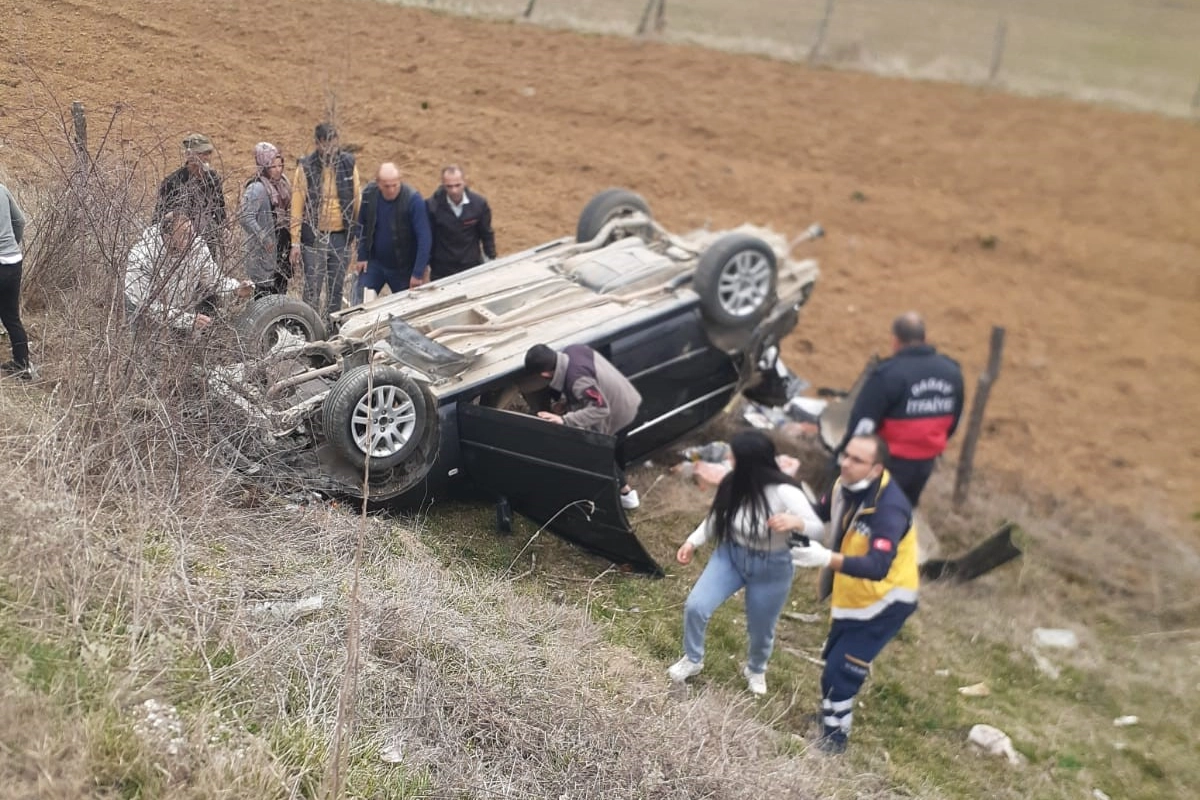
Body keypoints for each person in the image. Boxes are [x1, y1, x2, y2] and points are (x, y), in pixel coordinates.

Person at [789, 433, 919, 754]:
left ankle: (834, 740)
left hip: (886, 601)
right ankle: (830, 717)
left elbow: (877, 565)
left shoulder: (890, 509)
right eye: (845, 455)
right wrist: (795, 522)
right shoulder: (843, 484)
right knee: (832, 660)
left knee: (842, 670)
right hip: (853, 596)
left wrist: (824, 558)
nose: (845, 463)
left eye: (856, 460)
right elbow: (822, 517)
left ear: (875, 470)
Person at [668, 430, 825, 695]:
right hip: (731, 556)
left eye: (734, 456)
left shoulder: (784, 490)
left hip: (771, 567)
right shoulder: (734, 481)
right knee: (696, 605)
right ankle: (693, 659)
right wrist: (692, 542)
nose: (729, 459)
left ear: (752, 460)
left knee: (761, 629)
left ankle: (756, 668)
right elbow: (716, 518)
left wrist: (796, 522)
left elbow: (819, 529)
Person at [837, 311, 964, 506]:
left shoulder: (888, 374)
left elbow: (863, 424)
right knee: (901, 512)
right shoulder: (952, 372)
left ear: (895, 341)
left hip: (888, 463)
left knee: (867, 514)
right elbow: (954, 420)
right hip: (925, 463)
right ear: (925, 339)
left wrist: (843, 456)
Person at [524, 343, 642, 509]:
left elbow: (600, 408)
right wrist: (565, 404)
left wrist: (565, 420)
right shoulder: (573, 350)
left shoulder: (576, 379)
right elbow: (589, 383)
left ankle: (626, 495)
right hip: (620, 394)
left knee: (597, 451)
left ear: (544, 373)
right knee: (602, 449)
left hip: (619, 409)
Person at [125, 212, 252, 331]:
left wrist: (235, 289)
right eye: (185, 236)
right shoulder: (142, 256)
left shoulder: (197, 246)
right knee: (145, 349)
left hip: (181, 311)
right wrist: (188, 320)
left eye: (192, 233)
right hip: (143, 315)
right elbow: (147, 306)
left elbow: (214, 279)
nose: (192, 239)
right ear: (168, 238)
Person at [289, 122, 361, 317]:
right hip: (314, 237)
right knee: (312, 289)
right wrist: (295, 242)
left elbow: (356, 199)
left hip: (341, 237)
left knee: (336, 289)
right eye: (325, 144)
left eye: (334, 143)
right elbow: (297, 206)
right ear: (317, 144)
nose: (330, 149)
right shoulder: (305, 167)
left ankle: (332, 329)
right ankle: (309, 327)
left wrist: (356, 234)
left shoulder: (348, 164)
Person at [352, 162, 432, 302]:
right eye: (386, 186)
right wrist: (362, 255)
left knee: (406, 307)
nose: (391, 190)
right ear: (378, 183)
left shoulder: (413, 200)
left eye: (395, 185)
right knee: (359, 301)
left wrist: (418, 273)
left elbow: (424, 238)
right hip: (375, 263)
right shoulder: (369, 195)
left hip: (403, 266)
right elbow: (362, 225)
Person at [155, 133, 229, 264]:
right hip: (182, 246)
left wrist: (223, 228)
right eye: (201, 154)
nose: (206, 158)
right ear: (189, 155)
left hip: (208, 242)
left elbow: (219, 209)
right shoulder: (173, 182)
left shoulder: (213, 179)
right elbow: (160, 217)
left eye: (208, 153)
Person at [238, 142, 293, 298]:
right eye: (272, 167)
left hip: (282, 247)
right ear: (263, 166)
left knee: (281, 291)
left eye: (279, 165)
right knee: (264, 294)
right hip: (264, 251)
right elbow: (245, 216)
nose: (278, 170)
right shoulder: (257, 188)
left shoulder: (283, 184)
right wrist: (264, 238)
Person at [426, 165, 496, 279]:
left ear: (465, 182)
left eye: (457, 185)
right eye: (449, 186)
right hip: (442, 270)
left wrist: (491, 257)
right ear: (443, 184)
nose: (454, 190)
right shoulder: (432, 206)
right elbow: (427, 237)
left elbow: (486, 233)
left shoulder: (479, 204)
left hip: (471, 267)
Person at [0, 180, 32, 380]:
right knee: (11, 317)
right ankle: (22, 366)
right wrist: (12, 244)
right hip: (13, 261)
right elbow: (19, 221)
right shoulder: (1, 189)